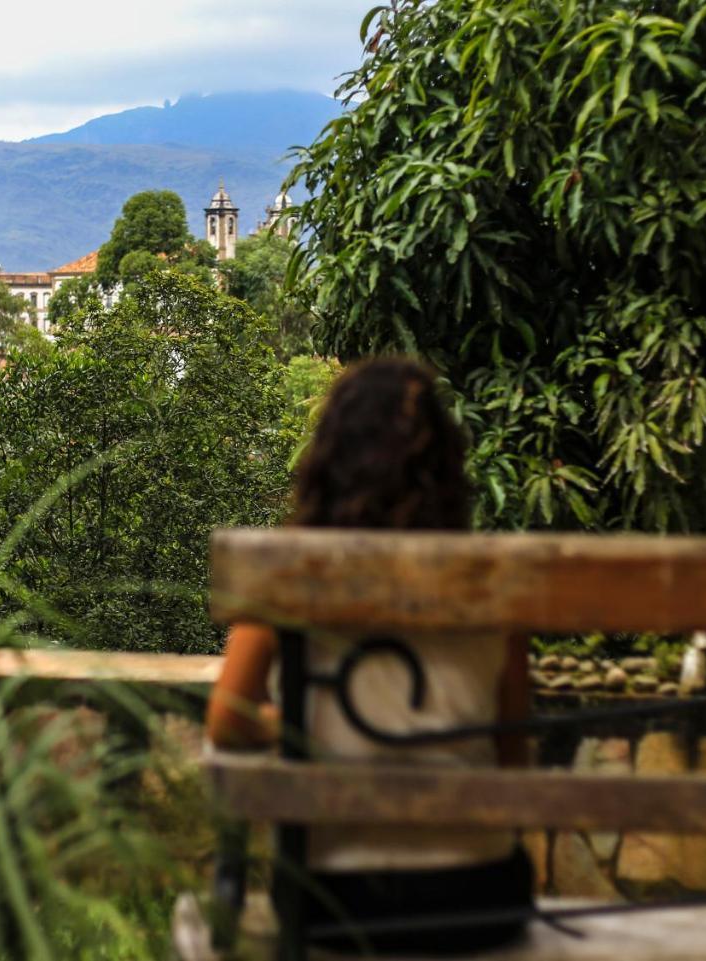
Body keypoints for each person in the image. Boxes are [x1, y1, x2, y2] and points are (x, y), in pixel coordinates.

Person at [205, 357, 534, 955]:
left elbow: (227, 721)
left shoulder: (290, 568)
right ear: (444, 462)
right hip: (476, 897)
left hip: (333, 902)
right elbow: (513, 754)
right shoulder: (493, 580)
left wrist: (298, 728)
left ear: (331, 455)